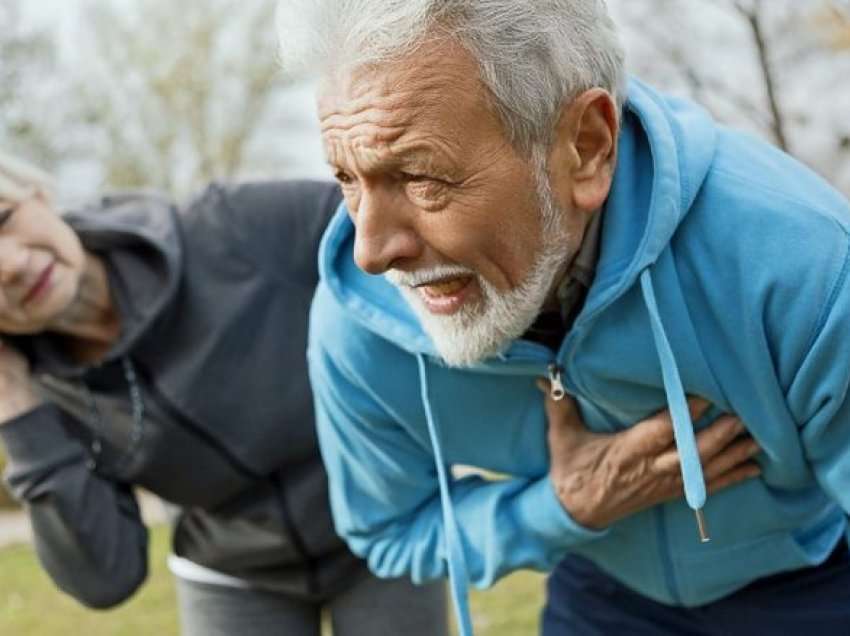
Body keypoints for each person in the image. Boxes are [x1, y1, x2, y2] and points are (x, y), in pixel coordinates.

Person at [275, 1, 850, 634]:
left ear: (586, 146)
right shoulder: (357, 322)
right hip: (602, 590)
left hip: (813, 583)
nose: (372, 251)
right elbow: (388, 530)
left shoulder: (801, 262)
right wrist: (563, 508)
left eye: (419, 177)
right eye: (347, 180)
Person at [0, 151, 448, 636]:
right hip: (230, 573)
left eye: (3, 219)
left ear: (39, 194)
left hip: (384, 525)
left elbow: (401, 238)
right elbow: (106, 578)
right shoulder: (42, 390)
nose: (9, 267)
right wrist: (17, 411)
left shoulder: (231, 226)